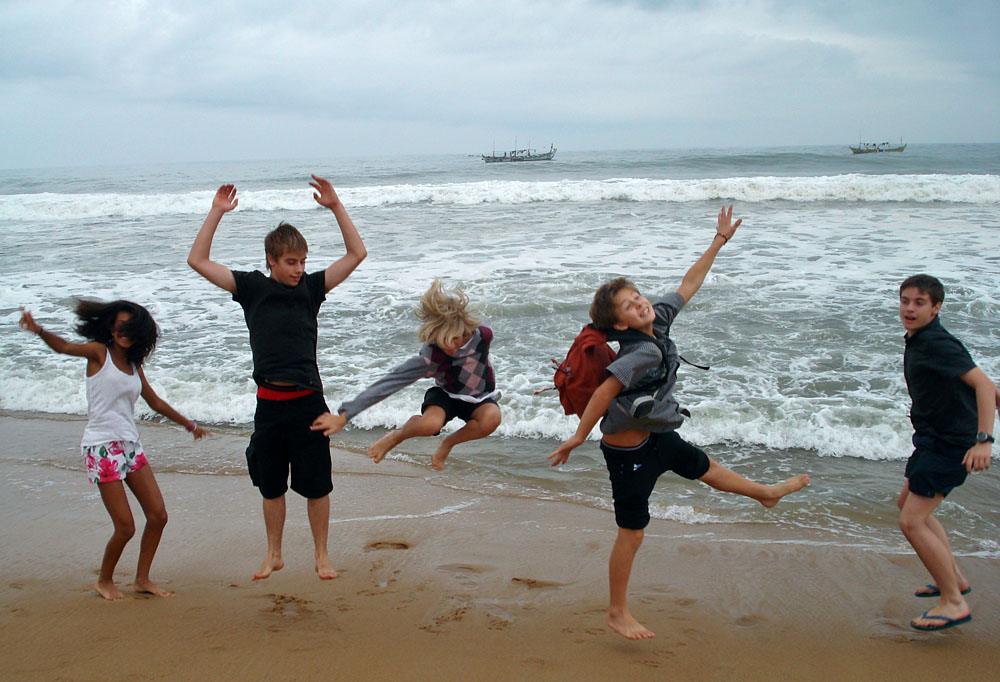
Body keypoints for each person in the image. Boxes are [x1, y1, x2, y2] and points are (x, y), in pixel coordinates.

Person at [546, 206, 810, 640]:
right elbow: (604, 392)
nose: (641, 303)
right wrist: (577, 436)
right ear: (619, 324)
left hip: (659, 437)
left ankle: (765, 494)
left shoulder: (660, 322)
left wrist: (719, 240)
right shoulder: (640, 352)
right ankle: (616, 611)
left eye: (639, 296)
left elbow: (689, 283)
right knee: (631, 534)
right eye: (630, 305)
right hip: (629, 453)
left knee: (706, 468)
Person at [187, 175, 367, 581]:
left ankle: (322, 555)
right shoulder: (251, 288)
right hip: (269, 404)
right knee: (271, 486)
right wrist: (216, 212)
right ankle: (274, 554)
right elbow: (197, 261)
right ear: (272, 260)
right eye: (291, 262)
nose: (299, 269)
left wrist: (336, 206)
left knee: (317, 485)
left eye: (303, 261)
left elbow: (357, 253)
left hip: (308, 403)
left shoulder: (311, 289)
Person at [19, 301, 208, 600]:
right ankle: (104, 581)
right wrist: (39, 330)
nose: (124, 333)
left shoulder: (134, 365)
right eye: (119, 327)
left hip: (130, 444)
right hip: (102, 446)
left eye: (130, 329)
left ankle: (142, 579)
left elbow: (155, 402)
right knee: (125, 527)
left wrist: (189, 424)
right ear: (110, 327)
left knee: (158, 516)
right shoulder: (98, 353)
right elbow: (64, 347)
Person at [311, 278, 501, 470]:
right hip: (446, 396)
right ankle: (397, 436)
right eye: (441, 342)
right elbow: (390, 382)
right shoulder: (431, 356)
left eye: (454, 339)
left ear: (464, 327)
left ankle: (447, 444)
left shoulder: (483, 334)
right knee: (430, 425)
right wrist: (345, 415)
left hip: (480, 398)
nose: (450, 347)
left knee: (492, 418)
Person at [896, 274, 998, 632]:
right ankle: (953, 577)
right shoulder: (921, 339)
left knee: (912, 521)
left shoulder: (938, 343)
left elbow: (982, 384)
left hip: (949, 444)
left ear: (936, 308)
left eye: (919, 303)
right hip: (931, 439)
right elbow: (983, 386)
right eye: (905, 300)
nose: (910, 308)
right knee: (907, 505)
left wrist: (984, 440)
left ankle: (954, 601)